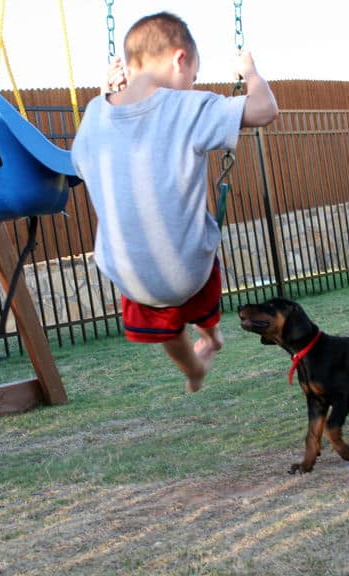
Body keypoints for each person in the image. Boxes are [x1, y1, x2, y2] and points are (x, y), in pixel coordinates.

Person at [71, 11, 278, 392]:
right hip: (191, 269)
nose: (190, 85)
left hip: (131, 278)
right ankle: (212, 335)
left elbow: (83, 165)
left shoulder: (95, 114)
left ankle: (193, 370)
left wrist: (109, 93)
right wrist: (250, 72)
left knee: (164, 321)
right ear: (179, 59)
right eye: (193, 76)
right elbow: (265, 110)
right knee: (200, 268)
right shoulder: (189, 107)